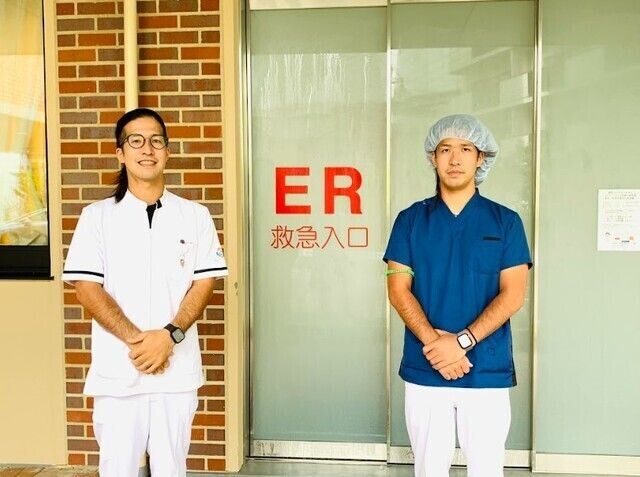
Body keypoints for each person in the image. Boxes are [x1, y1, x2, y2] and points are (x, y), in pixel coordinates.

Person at [62, 108, 228, 476]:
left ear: (168, 151)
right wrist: (140, 343)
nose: (147, 149)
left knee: (172, 469)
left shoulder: (195, 216)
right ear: (120, 153)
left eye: (156, 141)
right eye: (135, 141)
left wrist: (169, 337)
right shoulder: (97, 217)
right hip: (119, 372)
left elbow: (205, 283)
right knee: (117, 470)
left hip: (176, 372)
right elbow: (86, 289)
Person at [384, 114, 532, 477]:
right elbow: (398, 291)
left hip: (485, 371)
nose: (455, 158)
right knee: (429, 468)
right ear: (432, 158)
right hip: (426, 367)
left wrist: (461, 342)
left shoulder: (506, 222)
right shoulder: (410, 220)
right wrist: (437, 345)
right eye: (445, 149)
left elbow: (513, 295)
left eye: (466, 149)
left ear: (481, 158)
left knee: (486, 469)